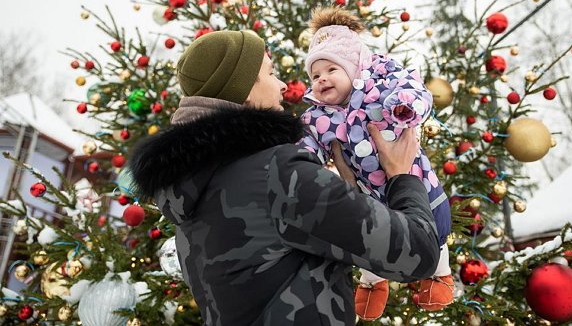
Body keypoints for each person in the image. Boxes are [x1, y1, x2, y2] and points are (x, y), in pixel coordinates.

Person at [128, 29, 441, 326]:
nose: (282, 86)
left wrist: (348, 193)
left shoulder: (191, 190)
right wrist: (402, 176)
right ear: (245, 87)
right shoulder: (277, 173)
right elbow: (418, 253)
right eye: (270, 72)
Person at [300, 8, 453, 320]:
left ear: (355, 68)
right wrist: (301, 160)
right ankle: (372, 284)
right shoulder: (318, 117)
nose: (322, 79)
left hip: (416, 184)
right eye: (315, 75)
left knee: (434, 229)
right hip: (368, 196)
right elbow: (308, 145)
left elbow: (413, 89)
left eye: (331, 69)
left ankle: (440, 275)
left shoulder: (380, 86)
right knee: (368, 235)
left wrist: (403, 107)